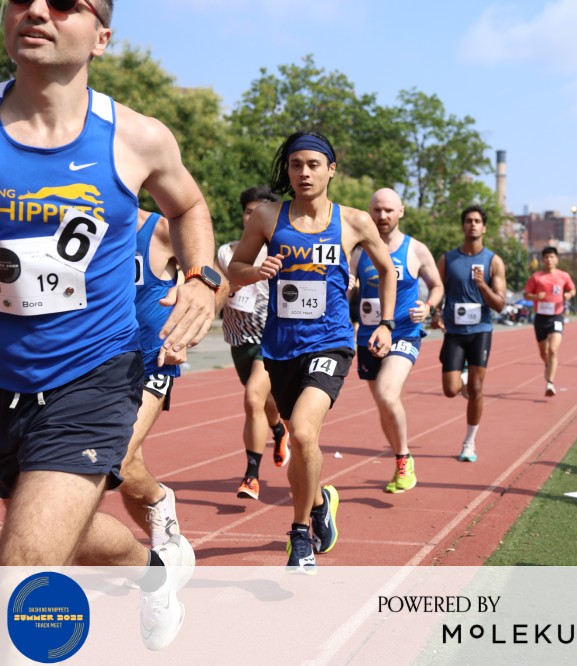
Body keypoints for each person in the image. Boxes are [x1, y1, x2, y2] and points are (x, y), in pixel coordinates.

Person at [0, 0, 217, 649]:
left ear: (101, 37)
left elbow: (189, 205)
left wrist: (203, 277)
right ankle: (155, 573)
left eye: (65, 1)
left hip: (88, 379)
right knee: (47, 526)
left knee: (22, 568)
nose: (37, 9)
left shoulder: (137, 138)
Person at [227, 131, 396, 573]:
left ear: (331, 170)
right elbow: (235, 269)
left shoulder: (354, 221)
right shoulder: (267, 216)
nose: (304, 172)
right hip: (281, 347)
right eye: (296, 164)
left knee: (302, 433)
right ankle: (320, 501)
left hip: (331, 342)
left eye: (313, 165)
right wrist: (255, 270)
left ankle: (300, 536)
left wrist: (385, 322)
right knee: (302, 448)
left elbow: (387, 269)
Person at [350, 188, 443, 493]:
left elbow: (437, 285)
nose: (383, 216)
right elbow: (347, 285)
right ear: (370, 211)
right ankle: (400, 461)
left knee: (387, 393)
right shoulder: (360, 250)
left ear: (401, 211)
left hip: (404, 333)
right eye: (377, 210)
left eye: (389, 210)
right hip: (369, 337)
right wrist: (347, 283)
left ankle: (404, 460)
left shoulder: (415, 249)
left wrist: (428, 306)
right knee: (383, 404)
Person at [118, 210, 196, 549]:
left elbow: (216, 282)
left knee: (117, 458)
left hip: (153, 362)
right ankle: (163, 536)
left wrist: (185, 332)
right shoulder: (81, 227)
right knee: (127, 466)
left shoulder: (161, 229)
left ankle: (158, 503)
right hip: (98, 363)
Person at [216, 185, 291, 501]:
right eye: (248, 212)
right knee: (265, 400)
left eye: (259, 212)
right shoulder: (226, 252)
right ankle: (278, 430)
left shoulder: (281, 252)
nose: (252, 217)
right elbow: (218, 288)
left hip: (271, 337)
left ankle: (251, 476)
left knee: (252, 398)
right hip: (238, 339)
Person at [433, 205, 507, 462]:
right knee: (450, 389)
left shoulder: (493, 261)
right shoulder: (447, 259)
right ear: (463, 226)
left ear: (484, 228)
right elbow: (437, 290)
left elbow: (500, 304)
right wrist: (436, 313)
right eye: (468, 221)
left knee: (476, 388)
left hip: (480, 331)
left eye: (477, 221)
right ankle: (462, 376)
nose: (473, 224)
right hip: (454, 331)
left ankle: (469, 442)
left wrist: (482, 285)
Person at [524, 246, 576, 396]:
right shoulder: (536, 277)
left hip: (557, 316)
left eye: (552, 257)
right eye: (546, 257)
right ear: (542, 260)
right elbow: (526, 294)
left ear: (557, 259)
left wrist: (569, 295)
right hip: (540, 317)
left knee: (553, 349)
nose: (549, 260)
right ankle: (547, 363)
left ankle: (550, 383)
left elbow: (572, 289)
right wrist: (535, 297)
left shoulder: (563, 276)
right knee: (544, 352)